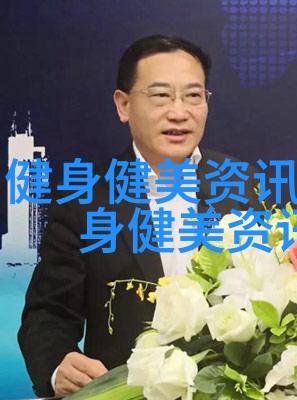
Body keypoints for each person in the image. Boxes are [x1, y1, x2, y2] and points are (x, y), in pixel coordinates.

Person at [18, 35, 261, 398]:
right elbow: (48, 313)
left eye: (194, 96)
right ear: (124, 105)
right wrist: (57, 365)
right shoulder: (85, 200)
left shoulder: (240, 183)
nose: (179, 112)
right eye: (161, 96)